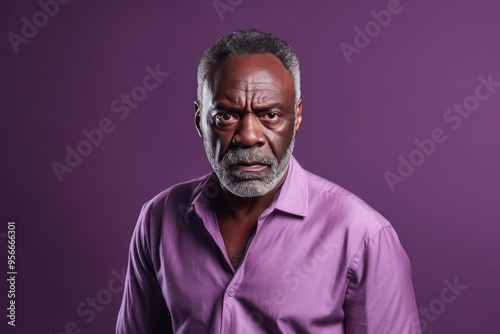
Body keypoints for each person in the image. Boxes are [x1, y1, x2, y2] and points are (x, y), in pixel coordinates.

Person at [116, 29, 421, 334]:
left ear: (297, 117)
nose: (249, 136)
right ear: (199, 121)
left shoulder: (362, 235)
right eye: (226, 116)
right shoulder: (159, 218)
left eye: (271, 115)